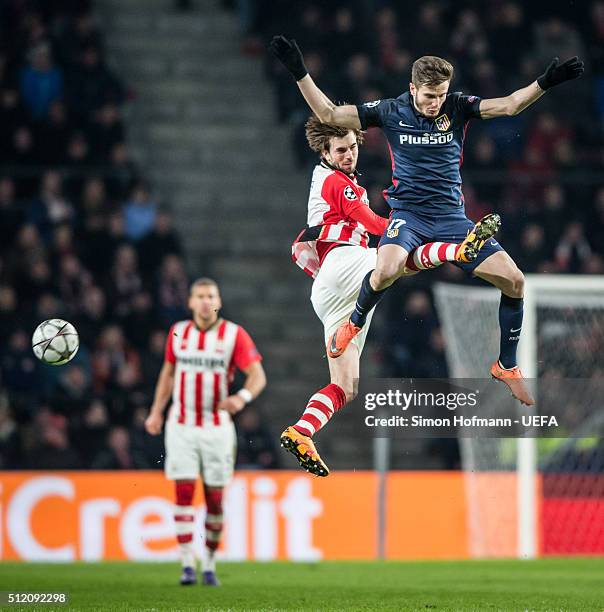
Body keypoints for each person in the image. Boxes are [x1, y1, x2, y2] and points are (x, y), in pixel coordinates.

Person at [270, 36, 584, 405]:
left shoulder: (458, 107)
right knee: (385, 269)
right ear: (412, 88)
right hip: (408, 216)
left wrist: (544, 83)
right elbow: (329, 115)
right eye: (429, 96)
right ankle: (353, 322)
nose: (435, 104)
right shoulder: (389, 111)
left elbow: (510, 106)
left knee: (514, 281)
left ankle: (506, 365)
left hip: (453, 217)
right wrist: (298, 71)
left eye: (440, 95)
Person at [281, 115, 498, 477]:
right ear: (325, 151)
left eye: (353, 147)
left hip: (329, 291)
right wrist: (410, 230)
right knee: (399, 258)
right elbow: (371, 223)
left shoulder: (332, 176)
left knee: (345, 386)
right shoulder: (337, 181)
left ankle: (302, 430)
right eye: (341, 150)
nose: (349, 154)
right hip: (344, 263)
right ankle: (456, 251)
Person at [145, 277, 266, 586]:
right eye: (199, 296)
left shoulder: (234, 335)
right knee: (183, 492)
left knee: (214, 499)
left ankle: (209, 563)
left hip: (216, 428)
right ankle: (187, 563)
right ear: (190, 302)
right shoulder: (178, 333)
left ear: (219, 301)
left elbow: (257, 376)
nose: (204, 301)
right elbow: (168, 374)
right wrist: (156, 411)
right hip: (182, 425)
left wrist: (242, 397)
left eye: (210, 295)